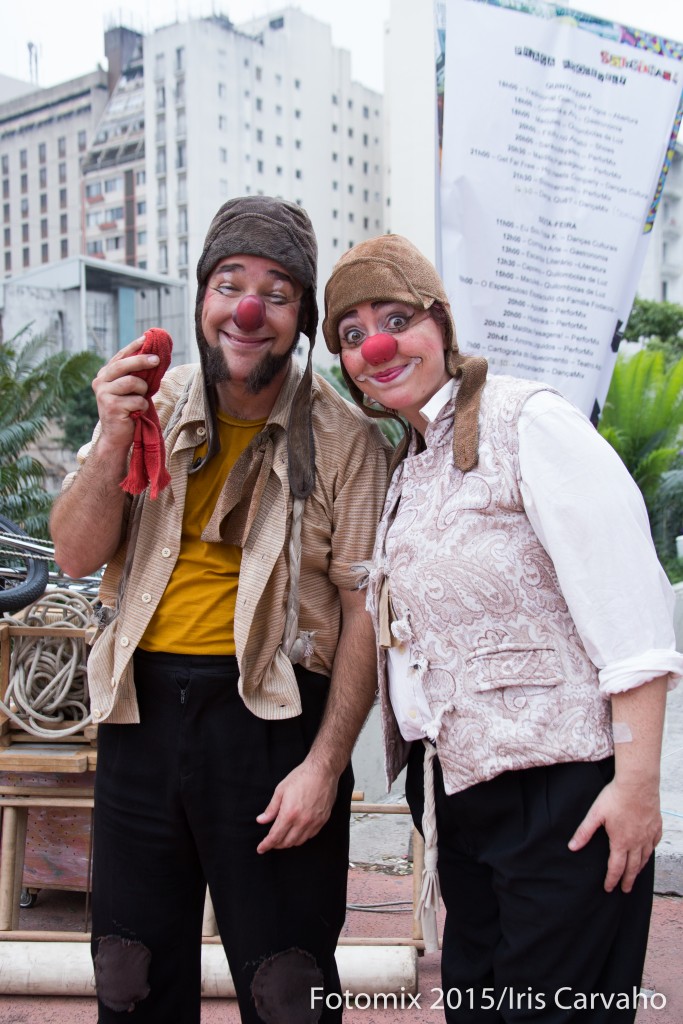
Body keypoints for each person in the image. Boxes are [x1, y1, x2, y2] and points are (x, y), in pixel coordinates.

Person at [322, 233, 683, 1023]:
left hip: (564, 791)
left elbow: (632, 616)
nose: (373, 345)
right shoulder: (410, 463)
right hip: (461, 798)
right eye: (350, 334)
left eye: (393, 317)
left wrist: (636, 787)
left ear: (440, 323)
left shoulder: (530, 421)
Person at [50, 197, 390, 1024]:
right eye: (230, 283)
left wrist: (323, 766)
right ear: (202, 298)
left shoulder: (345, 440)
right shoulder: (150, 407)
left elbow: (364, 620)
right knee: (128, 977)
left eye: (276, 292)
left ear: (302, 314)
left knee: (288, 992)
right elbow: (74, 553)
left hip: (274, 726)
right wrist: (110, 435)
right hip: (142, 722)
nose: (249, 309)